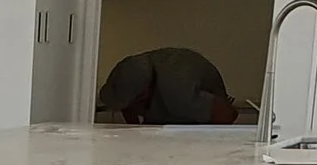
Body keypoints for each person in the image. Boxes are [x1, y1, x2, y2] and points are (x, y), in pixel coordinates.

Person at [94, 47, 247, 126]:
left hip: (194, 134)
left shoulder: (179, 92)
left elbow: (228, 115)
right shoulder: (134, 71)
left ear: (144, 94)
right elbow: (126, 105)